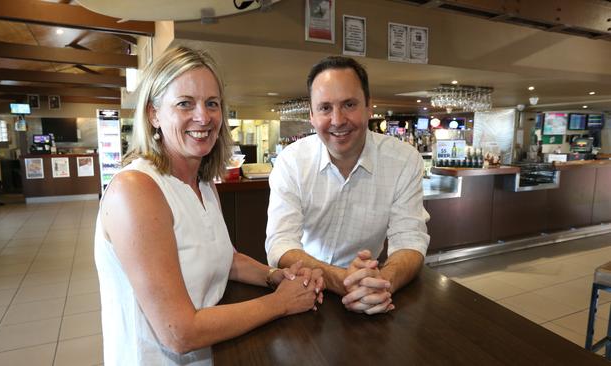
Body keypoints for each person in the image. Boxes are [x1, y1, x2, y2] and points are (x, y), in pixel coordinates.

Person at [95, 46, 324, 366]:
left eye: (212, 103)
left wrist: (275, 276)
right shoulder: (136, 190)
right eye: (185, 103)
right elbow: (179, 333)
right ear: (153, 114)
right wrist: (281, 303)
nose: (203, 116)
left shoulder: (201, 182)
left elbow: (224, 259)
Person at [266, 56, 429, 315]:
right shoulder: (292, 161)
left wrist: (381, 284)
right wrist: (343, 280)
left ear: (368, 107)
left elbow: (410, 239)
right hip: (306, 290)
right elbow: (280, 242)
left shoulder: (404, 160)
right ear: (311, 115)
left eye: (349, 104)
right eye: (325, 108)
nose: (338, 120)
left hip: (373, 291)